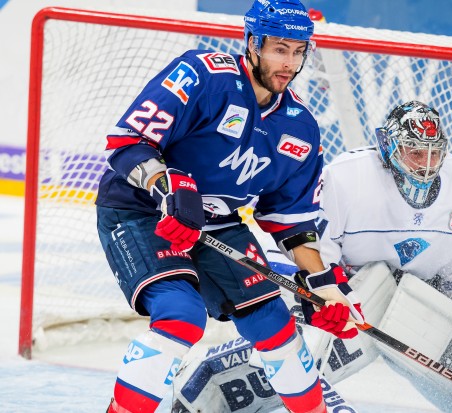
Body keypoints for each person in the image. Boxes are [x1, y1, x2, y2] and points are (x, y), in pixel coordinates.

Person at [172, 100, 452, 412]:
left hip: (416, 296)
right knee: (305, 347)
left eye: (432, 152)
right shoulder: (345, 181)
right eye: (413, 151)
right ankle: (208, 382)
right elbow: (297, 248)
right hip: (336, 294)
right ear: (388, 146)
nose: (424, 163)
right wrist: (332, 296)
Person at [95, 1, 364, 412]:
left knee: (274, 325)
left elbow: (289, 219)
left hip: (217, 223)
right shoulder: (203, 75)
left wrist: (324, 286)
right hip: (142, 208)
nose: (289, 63)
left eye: (298, 51)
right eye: (279, 48)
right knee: (180, 315)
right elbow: (127, 142)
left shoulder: (301, 127)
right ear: (252, 43)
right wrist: (168, 186)